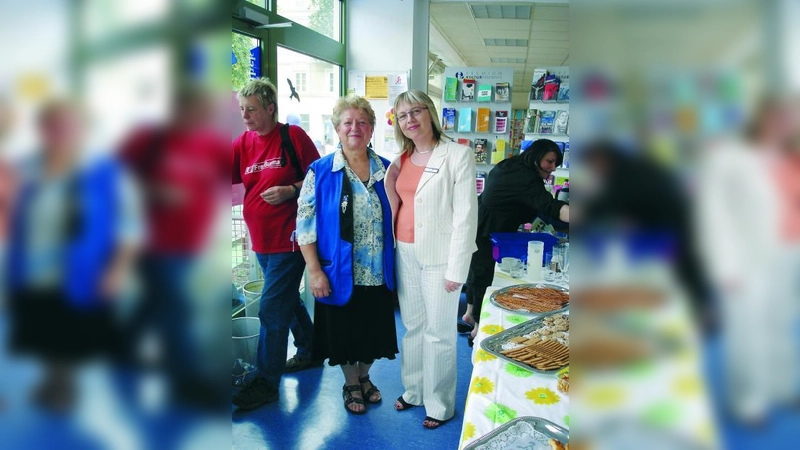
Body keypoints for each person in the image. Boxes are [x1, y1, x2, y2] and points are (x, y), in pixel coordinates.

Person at [5, 98, 141, 411]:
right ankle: (52, 377)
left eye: (68, 125)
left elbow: (130, 226)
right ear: (41, 129)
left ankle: (65, 384)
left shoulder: (106, 172)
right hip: (30, 267)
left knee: (69, 329)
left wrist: (117, 270)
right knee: (38, 325)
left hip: (81, 269)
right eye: (51, 125)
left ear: (83, 129)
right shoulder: (26, 168)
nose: (59, 132)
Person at [118, 84, 230, 406]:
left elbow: (233, 171)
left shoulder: (210, 143)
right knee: (178, 309)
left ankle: (122, 343)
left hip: (193, 242)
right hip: (154, 241)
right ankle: (187, 381)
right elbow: (113, 175)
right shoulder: (149, 140)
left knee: (156, 302)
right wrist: (153, 191)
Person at [296, 95, 398, 415]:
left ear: (371, 129)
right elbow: (305, 224)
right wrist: (314, 270)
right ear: (336, 129)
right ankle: (351, 382)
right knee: (345, 333)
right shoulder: (321, 171)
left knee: (373, 332)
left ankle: (365, 376)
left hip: (379, 270)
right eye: (348, 122)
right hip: (338, 271)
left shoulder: (387, 170)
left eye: (362, 122)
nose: (355, 128)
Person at [385, 89, 478, 429]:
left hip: (440, 257)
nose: (410, 120)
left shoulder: (457, 155)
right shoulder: (401, 158)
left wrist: (458, 269)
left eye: (416, 111)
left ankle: (439, 404)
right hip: (405, 251)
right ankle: (413, 390)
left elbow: (466, 217)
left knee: (439, 333)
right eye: (403, 115)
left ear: (430, 114)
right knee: (412, 328)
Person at [231, 78, 321, 410]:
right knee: (284, 300)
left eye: (251, 109)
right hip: (262, 241)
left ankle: (265, 382)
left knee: (270, 308)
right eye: (242, 109)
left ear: (270, 108)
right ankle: (312, 349)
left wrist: (291, 190)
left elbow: (319, 178)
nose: (245, 115)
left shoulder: (292, 137)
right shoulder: (243, 142)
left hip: (292, 238)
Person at [462, 139, 569, 343]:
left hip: (481, 219)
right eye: (550, 161)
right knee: (483, 273)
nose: (552, 168)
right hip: (488, 226)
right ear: (537, 156)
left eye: (556, 163)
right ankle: (477, 327)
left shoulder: (512, 164)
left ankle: (469, 313)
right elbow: (551, 207)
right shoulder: (526, 177)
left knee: (477, 270)